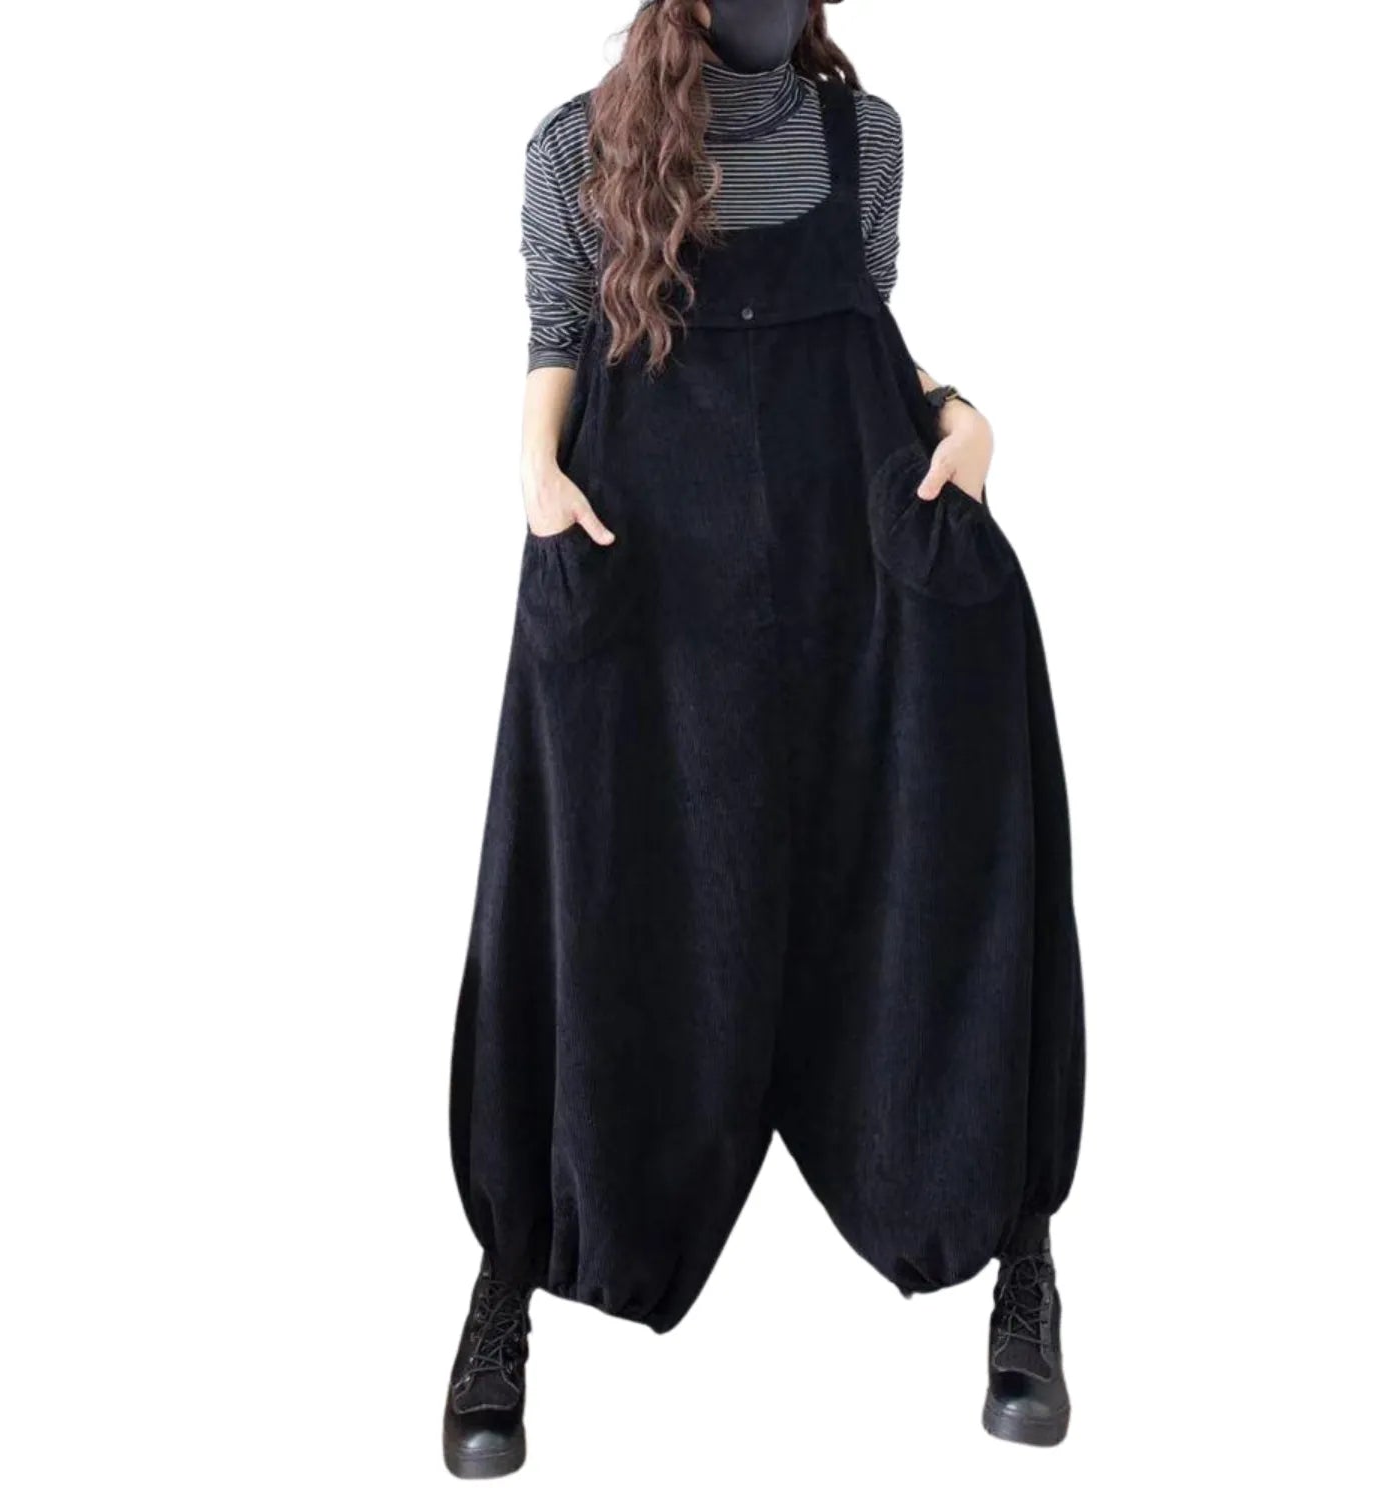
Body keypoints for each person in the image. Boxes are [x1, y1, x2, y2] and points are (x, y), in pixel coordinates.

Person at [443, 1, 1085, 1477]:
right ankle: (510, 1272)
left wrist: (966, 418)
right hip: (648, 590)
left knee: (956, 874)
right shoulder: (576, 145)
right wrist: (537, 477)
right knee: (580, 905)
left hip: (856, 586)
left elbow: (868, 349)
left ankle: (1018, 1245)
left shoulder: (865, 136)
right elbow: (557, 330)